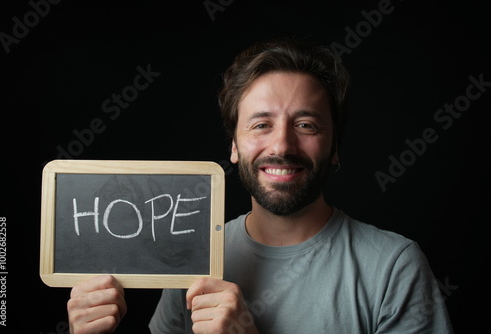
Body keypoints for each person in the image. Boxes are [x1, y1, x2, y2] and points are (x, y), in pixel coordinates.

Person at [67, 37, 453, 333]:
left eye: (306, 125)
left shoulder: (394, 268)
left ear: (335, 147)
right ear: (234, 146)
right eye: (261, 125)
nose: (282, 145)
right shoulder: (194, 257)